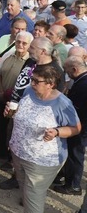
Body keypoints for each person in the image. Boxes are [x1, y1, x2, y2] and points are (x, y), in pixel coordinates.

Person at [8, 65, 80, 213]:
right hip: (19, 153)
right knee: (24, 188)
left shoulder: (62, 103)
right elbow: (21, 114)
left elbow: (76, 128)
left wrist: (57, 131)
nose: (32, 83)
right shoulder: (29, 91)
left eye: (36, 81)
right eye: (32, 79)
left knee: (33, 196)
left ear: (50, 84)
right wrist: (10, 113)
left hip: (42, 161)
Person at [56, 57, 87, 196]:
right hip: (79, 125)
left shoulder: (83, 84)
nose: (66, 72)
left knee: (75, 154)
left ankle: (73, 185)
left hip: (81, 127)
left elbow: (79, 108)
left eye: (67, 70)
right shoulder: (82, 80)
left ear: (74, 69)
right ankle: (68, 179)